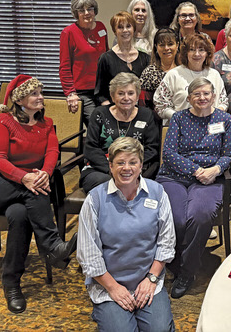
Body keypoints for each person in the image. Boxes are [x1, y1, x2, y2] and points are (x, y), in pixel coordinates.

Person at [0, 75, 77, 314]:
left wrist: (45, 173)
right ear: (19, 99)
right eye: (34, 93)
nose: (41, 97)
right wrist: (25, 178)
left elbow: (52, 151)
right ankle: (52, 245)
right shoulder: (3, 121)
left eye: (41, 92)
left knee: (20, 214)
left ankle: (11, 283)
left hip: (18, 189)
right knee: (34, 190)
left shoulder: (46, 124)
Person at [78, 137, 176, 331]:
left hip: (147, 279)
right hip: (108, 284)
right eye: (120, 163)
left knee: (161, 329)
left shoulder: (158, 193)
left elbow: (166, 242)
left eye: (133, 162)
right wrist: (113, 288)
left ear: (141, 165)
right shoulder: (95, 199)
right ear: (110, 166)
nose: (126, 168)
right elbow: (89, 255)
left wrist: (151, 279)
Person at [156, 78, 231, 298]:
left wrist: (215, 170)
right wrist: (196, 170)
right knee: (177, 219)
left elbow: (228, 154)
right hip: (175, 176)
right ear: (189, 98)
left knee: (200, 216)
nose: (202, 98)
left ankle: (187, 272)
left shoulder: (224, 119)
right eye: (196, 94)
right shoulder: (179, 118)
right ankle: (175, 261)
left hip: (210, 177)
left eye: (206, 93)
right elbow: (168, 154)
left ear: (214, 96)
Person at [81, 73, 161, 193]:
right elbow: (91, 148)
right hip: (101, 170)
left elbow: (152, 149)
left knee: (133, 184)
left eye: (130, 93)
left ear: (137, 96)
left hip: (136, 170)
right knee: (109, 184)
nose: (126, 98)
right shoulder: (99, 114)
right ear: (112, 96)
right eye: (120, 93)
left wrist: (131, 167)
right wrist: (113, 169)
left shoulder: (146, 115)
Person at [153, 33, 228, 123]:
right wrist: (179, 118)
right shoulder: (173, 75)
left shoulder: (214, 74)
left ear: (207, 53)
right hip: (182, 126)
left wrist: (216, 115)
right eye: (192, 50)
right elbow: (160, 104)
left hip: (211, 126)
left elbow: (223, 102)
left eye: (201, 50)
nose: (197, 54)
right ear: (186, 53)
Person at [59, 0, 109, 123]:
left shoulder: (101, 27)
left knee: (111, 122)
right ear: (76, 13)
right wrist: (70, 93)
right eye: (81, 10)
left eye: (90, 9)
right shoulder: (68, 33)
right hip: (82, 92)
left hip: (102, 89)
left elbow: (107, 57)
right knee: (96, 123)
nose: (87, 13)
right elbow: (64, 66)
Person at [95, 12, 151, 106]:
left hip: (140, 110)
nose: (125, 30)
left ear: (133, 29)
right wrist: (111, 110)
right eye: (120, 27)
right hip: (114, 109)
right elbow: (100, 94)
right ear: (114, 31)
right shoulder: (105, 59)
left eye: (128, 26)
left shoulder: (145, 58)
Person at [139, 28, 179, 110]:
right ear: (156, 47)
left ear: (177, 45)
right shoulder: (149, 73)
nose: (166, 48)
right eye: (162, 45)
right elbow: (143, 105)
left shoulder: (185, 70)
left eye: (170, 44)